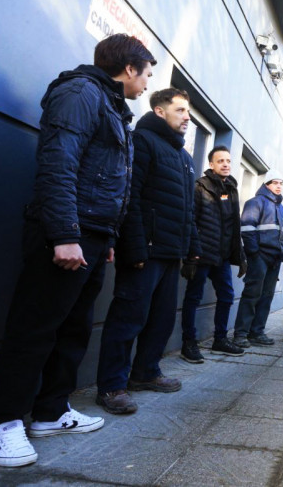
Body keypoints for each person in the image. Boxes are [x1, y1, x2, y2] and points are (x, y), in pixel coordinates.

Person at [0, 34, 155, 467]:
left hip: (92, 236)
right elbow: (58, 164)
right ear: (129, 68)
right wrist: (64, 233)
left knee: (74, 328)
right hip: (65, 233)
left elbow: (108, 181)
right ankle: (1, 426)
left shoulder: (113, 107)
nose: (148, 84)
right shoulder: (80, 93)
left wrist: (106, 238)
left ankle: (51, 411)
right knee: (34, 329)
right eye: (147, 73)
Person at [96, 88, 201, 415]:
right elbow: (131, 198)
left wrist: (192, 248)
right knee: (128, 319)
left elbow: (187, 211)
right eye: (181, 110)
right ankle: (112, 385)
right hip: (145, 252)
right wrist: (135, 247)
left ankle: (145, 372)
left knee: (161, 319)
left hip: (171, 253)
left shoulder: (183, 157)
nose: (187, 117)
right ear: (159, 111)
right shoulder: (141, 141)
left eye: (188, 112)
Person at [179, 146, 248, 363]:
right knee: (193, 297)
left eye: (228, 160)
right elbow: (190, 219)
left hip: (223, 256)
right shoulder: (200, 186)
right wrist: (192, 253)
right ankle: (188, 343)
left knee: (227, 295)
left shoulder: (232, 189)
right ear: (211, 164)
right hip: (202, 254)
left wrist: (240, 254)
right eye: (220, 161)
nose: (226, 164)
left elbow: (234, 226)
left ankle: (220, 339)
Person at [233, 171, 283, 348]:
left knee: (266, 296)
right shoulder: (255, 202)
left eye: (281, 183)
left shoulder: (282, 208)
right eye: (275, 182)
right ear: (266, 184)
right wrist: (254, 253)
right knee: (252, 294)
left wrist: (282, 253)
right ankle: (241, 334)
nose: (279, 185)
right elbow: (247, 228)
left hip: (274, 258)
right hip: (260, 256)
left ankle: (257, 332)